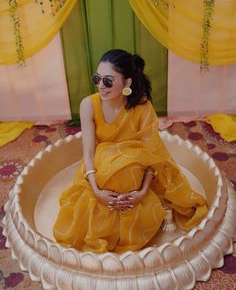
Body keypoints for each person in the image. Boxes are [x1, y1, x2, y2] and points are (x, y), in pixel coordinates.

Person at [53, 49, 208, 253]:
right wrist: (97, 191)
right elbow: (89, 153)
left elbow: (151, 155)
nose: (101, 86)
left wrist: (142, 192)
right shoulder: (88, 105)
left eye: (108, 81)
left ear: (126, 83)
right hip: (101, 171)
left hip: (138, 172)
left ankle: (129, 212)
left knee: (133, 162)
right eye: (97, 78)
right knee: (105, 165)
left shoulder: (142, 108)